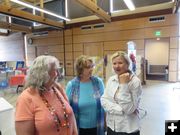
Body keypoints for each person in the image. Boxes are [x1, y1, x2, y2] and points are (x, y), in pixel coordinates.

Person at [15, 55, 78, 135]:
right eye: (55, 70)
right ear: (43, 74)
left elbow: (71, 117)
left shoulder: (57, 89)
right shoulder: (26, 98)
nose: (58, 74)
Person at [101, 51, 142, 135]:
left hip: (128, 129)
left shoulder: (135, 82)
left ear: (127, 64)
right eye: (114, 63)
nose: (117, 66)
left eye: (120, 63)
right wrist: (120, 110)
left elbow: (129, 109)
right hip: (112, 126)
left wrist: (124, 85)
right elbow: (104, 100)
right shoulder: (111, 80)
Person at [66, 55, 105, 135]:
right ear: (80, 69)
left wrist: (106, 121)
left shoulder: (98, 82)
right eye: (87, 67)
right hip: (80, 128)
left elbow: (104, 104)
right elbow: (67, 108)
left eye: (92, 66)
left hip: (98, 126)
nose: (91, 69)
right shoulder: (72, 85)